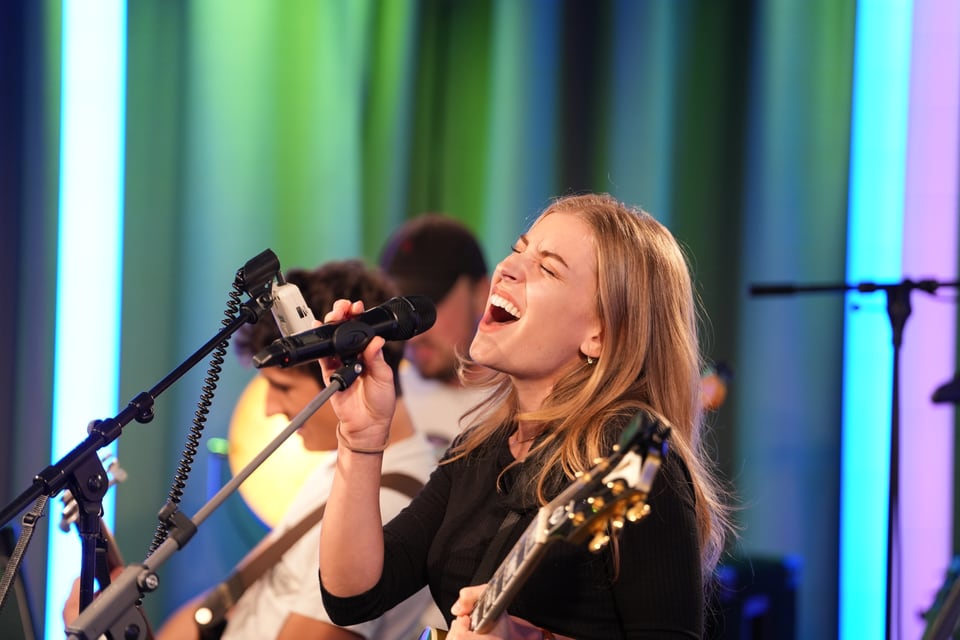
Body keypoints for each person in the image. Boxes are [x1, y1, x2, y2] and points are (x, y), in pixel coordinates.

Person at [315, 193, 733, 639]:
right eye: (518, 250)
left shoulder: (639, 464)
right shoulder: (481, 449)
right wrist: (360, 439)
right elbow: (353, 595)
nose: (507, 268)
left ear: (600, 334)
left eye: (548, 268)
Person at [64, 260, 437, 640]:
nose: (271, 409)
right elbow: (225, 602)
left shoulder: (385, 501)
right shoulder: (338, 467)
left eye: (283, 388)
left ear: (346, 368)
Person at [378, 214, 492, 453]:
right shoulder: (379, 405)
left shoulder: (528, 407)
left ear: (481, 293)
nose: (414, 334)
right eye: (399, 310)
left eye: (428, 308)